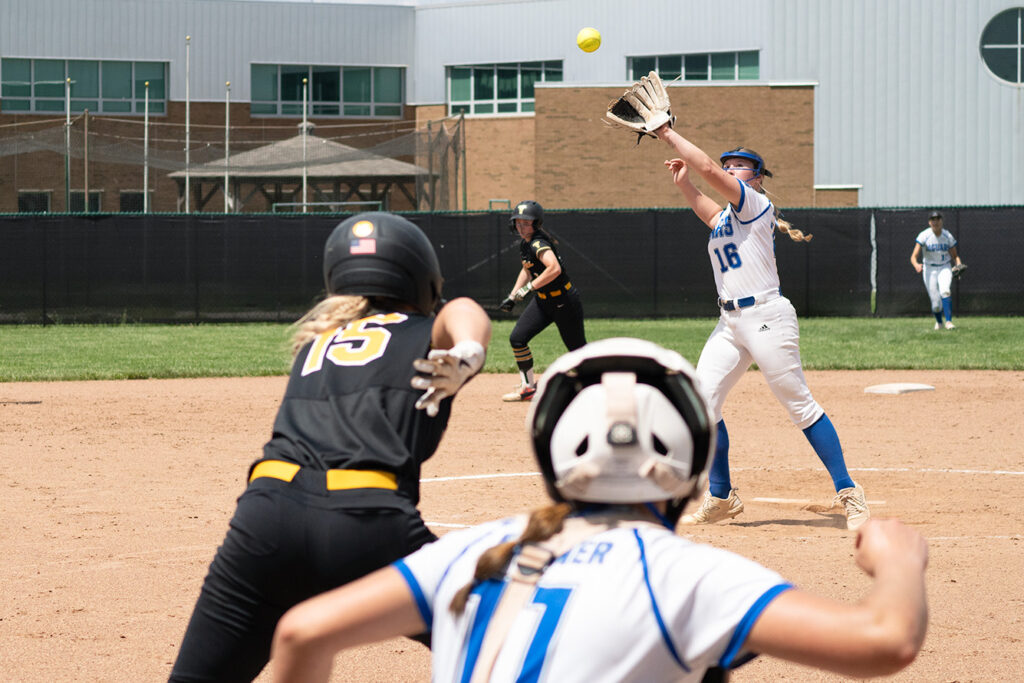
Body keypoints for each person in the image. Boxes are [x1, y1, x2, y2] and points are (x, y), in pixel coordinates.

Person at [271, 338, 929, 683]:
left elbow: (301, 631)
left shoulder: (480, 550)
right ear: (691, 466)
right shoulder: (683, 573)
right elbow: (886, 642)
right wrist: (898, 562)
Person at [169, 212, 491, 682]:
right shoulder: (423, 332)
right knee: (508, 634)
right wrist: (468, 352)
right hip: (366, 522)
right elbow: (463, 311)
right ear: (422, 277)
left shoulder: (316, 341)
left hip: (264, 520)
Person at [653, 125, 870, 530]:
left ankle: (849, 492)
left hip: (768, 316)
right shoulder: (724, 219)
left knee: (798, 404)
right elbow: (702, 200)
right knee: (702, 403)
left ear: (756, 178)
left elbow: (706, 169)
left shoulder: (754, 205)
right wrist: (684, 183)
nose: (732, 170)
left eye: (741, 167)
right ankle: (721, 497)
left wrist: (668, 133)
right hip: (730, 321)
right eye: (729, 165)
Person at [498, 199, 586, 402]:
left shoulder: (538, 243)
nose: (521, 227)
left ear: (536, 224)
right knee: (517, 339)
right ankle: (528, 387)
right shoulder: (525, 243)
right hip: (543, 302)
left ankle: (597, 384)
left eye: (526, 223)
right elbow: (527, 269)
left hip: (564, 302)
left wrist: (529, 289)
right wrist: (513, 295)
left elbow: (554, 269)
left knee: (578, 350)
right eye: (518, 222)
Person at [910, 210, 963, 330]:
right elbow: (913, 256)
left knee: (945, 290)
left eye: (938, 219)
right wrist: (916, 265)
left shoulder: (947, 236)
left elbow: (955, 256)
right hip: (929, 269)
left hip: (944, 266)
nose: (936, 222)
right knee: (935, 304)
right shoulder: (924, 235)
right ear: (929, 222)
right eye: (933, 219)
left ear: (942, 221)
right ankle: (939, 322)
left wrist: (958, 266)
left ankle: (948, 322)